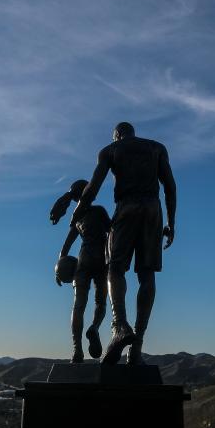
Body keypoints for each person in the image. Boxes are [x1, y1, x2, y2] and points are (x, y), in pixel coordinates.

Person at [72, 121, 177, 365]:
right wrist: (172, 223)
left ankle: (119, 325)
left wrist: (78, 212)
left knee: (115, 268)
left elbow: (92, 188)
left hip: (127, 207)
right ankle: (136, 349)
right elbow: (170, 187)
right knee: (147, 274)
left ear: (117, 135)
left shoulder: (110, 150)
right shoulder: (156, 147)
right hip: (153, 209)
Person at [50, 178, 111, 363]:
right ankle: (94, 327)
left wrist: (58, 270)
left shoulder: (76, 218)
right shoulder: (99, 211)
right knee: (100, 302)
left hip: (83, 260)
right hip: (102, 259)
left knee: (79, 306)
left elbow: (66, 246)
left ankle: (77, 350)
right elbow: (112, 231)